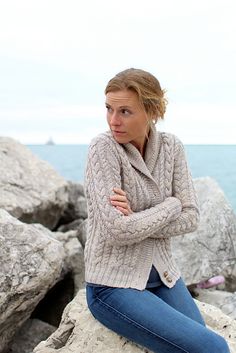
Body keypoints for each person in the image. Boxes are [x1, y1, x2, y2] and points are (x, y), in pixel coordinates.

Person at [84, 68, 230, 353]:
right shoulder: (103, 149)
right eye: (109, 109)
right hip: (112, 287)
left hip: (165, 277)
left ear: (152, 111)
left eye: (125, 111)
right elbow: (117, 231)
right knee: (212, 347)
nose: (113, 120)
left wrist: (138, 214)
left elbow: (191, 217)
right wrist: (171, 204)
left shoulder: (171, 147)